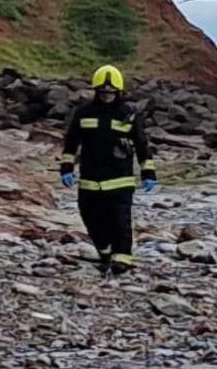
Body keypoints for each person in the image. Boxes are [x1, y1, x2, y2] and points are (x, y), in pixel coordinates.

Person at [59, 65, 157, 275]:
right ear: (96, 91)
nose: (107, 96)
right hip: (90, 180)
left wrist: (148, 172)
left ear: (118, 92)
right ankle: (105, 251)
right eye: (103, 92)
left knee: (120, 220)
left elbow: (141, 145)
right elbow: (71, 142)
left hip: (120, 179)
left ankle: (123, 258)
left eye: (111, 93)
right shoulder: (84, 113)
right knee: (92, 219)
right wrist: (66, 167)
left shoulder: (128, 114)